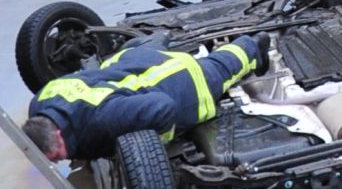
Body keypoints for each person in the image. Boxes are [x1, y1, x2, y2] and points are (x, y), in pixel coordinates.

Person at [24, 32, 270, 162]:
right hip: (131, 61)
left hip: (177, 79)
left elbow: (163, 108)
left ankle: (253, 44)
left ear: (57, 133)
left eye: (56, 156)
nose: (56, 161)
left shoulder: (104, 119)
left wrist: (152, 146)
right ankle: (156, 39)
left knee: (223, 67)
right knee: (141, 51)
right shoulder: (41, 101)